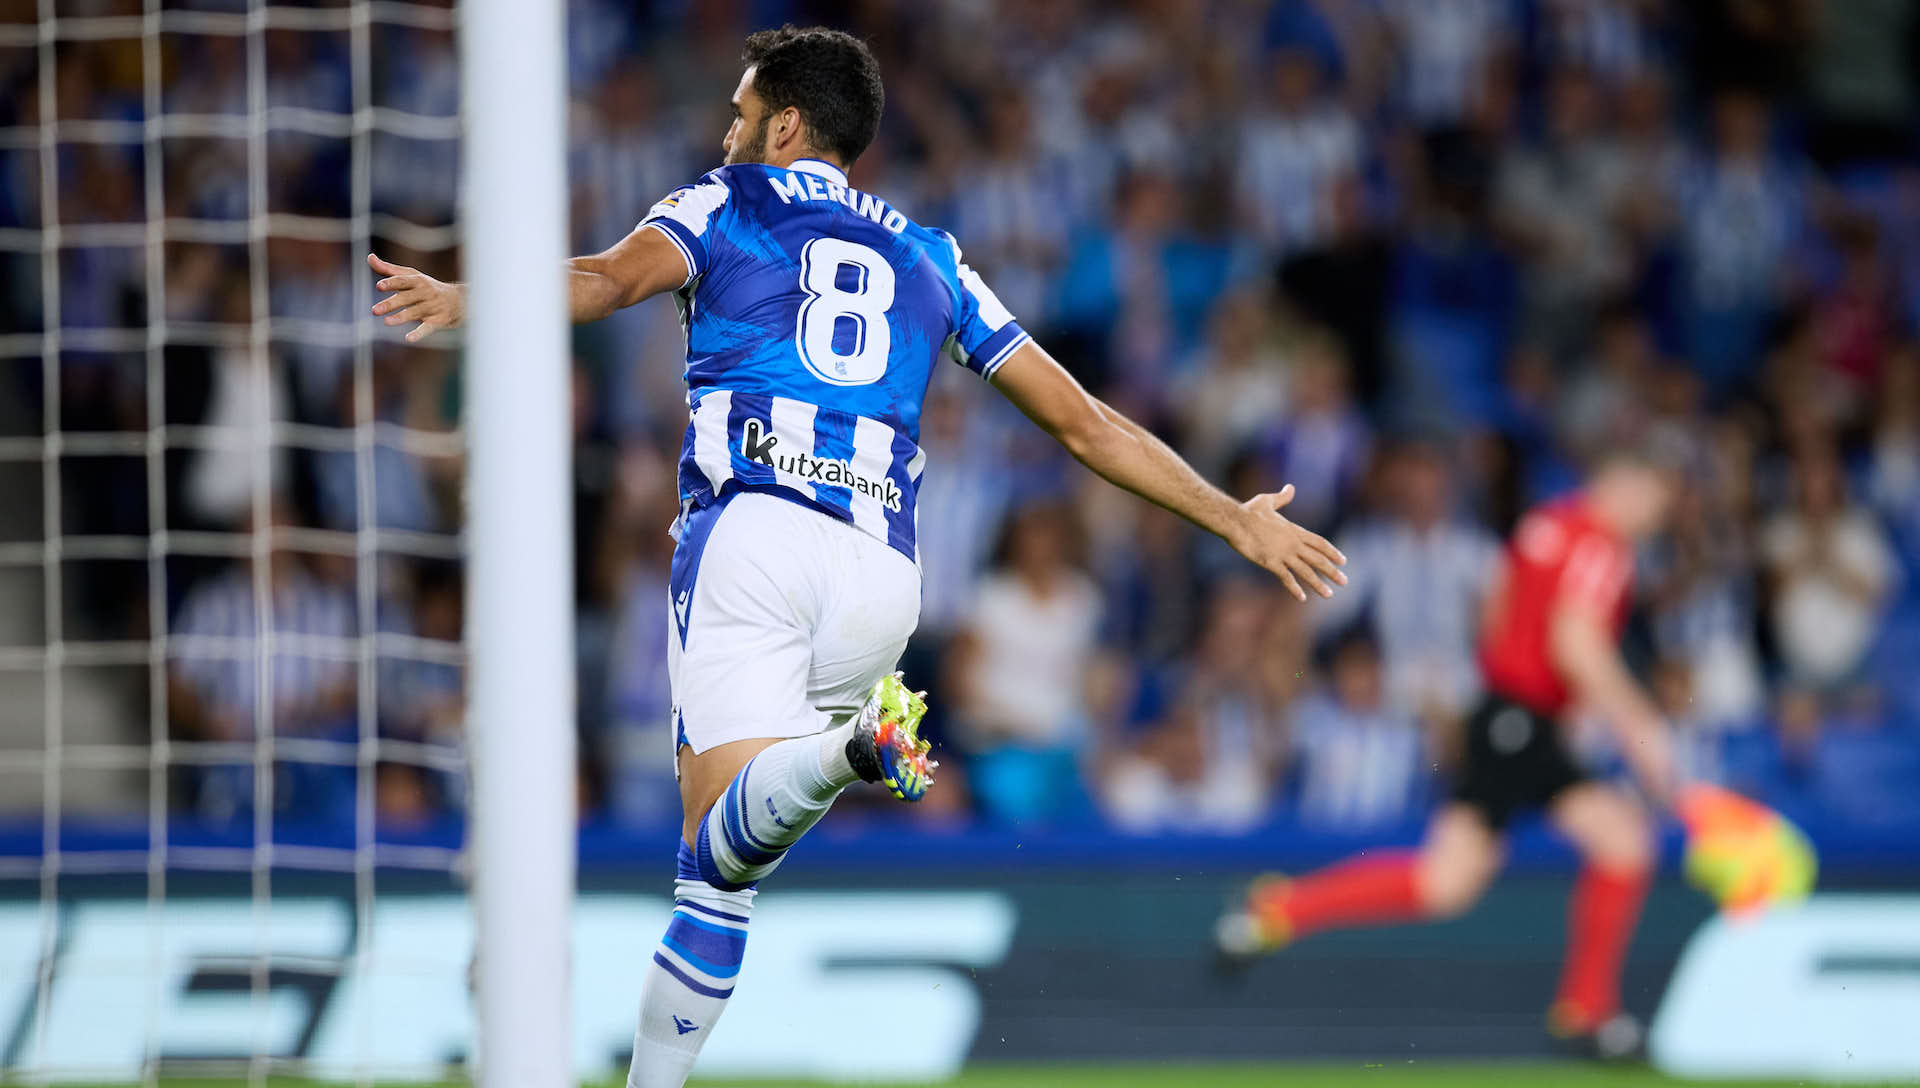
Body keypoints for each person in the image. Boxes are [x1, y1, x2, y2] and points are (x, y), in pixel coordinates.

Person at [366, 26, 1346, 1088]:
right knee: (728, 868)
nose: (726, 129)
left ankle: (848, 755)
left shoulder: (721, 203)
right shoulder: (934, 255)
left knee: (713, 849)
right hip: (884, 576)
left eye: (740, 113)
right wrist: (1231, 515)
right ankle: (845, 758)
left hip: (752, 535)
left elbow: (605, 281)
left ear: (785, 123)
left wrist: (474, 302)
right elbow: (1084, 423)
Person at [1216, 451, 1677, 1059]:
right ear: (1628, 486)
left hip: (1504, 714)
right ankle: (1586, 1013)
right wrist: (1643, 730)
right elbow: (1576, 642)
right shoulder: (1601, 548)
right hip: (1523, 720)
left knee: (1448, 883)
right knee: (1621, 845)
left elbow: (1498, 614)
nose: (1654, 522)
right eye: (1657, 508)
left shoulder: (1545, 526)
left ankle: (1279, 907)